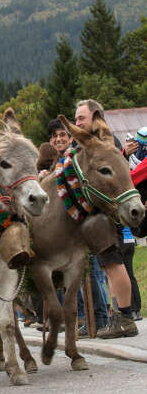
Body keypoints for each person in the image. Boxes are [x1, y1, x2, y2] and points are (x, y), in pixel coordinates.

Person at [74, 99, 140, 337]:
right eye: (76, 118)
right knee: (110, 265)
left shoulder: (106, 143)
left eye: (81, 117)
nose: (77, 122)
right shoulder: (93, 143)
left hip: (110, 214)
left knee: (114, 264)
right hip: (101, 215)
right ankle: (117, 317)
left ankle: (124, 318)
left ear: (95, 116)